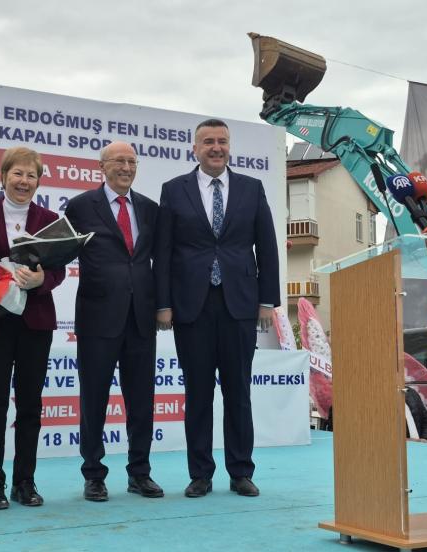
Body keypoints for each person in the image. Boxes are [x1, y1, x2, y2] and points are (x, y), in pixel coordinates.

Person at [154, 119, 280, 497]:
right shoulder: (174, 190)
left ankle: (241, 472)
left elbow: (267, 247)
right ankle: (200, 474)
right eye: (208, 141)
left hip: (239, 304)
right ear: (194, 148)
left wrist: (267, 301)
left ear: (229, 147)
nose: (216, 147)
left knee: (238, 391)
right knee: (197, 393)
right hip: (191, 306)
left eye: (222, 141)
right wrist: (163, 304)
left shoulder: (251, 188)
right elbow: (163, 252)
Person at [64, 141, 163, 502]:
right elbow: (61, 252)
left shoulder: (150, 208)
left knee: (142, 402)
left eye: (132, 161)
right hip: (97, 318)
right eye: (119, 161)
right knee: (94, 400)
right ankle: (93, 475)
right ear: (101, 167)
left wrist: (163, 306)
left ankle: (140, 473)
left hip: (141, 318)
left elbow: (159, 260)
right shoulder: (79, 206)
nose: (126, 167)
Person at [0, 147, 66, 509]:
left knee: (30, 404)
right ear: (3, 176)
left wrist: (42, 280)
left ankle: (24, 482)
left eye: (31, 175)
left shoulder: (50, 219)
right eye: (18, 173)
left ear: (39, 181)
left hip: (35, 321)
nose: (24, 181)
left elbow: (58, 269)